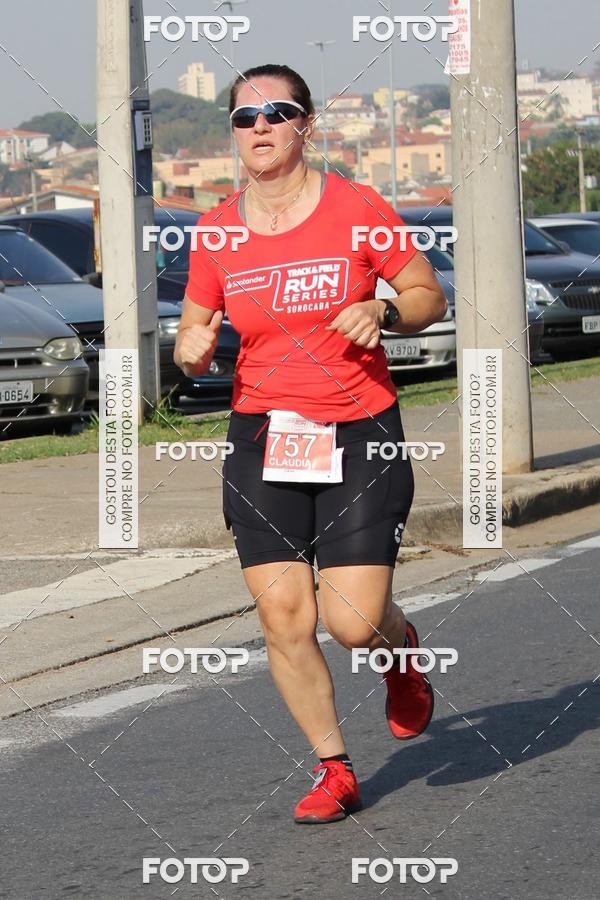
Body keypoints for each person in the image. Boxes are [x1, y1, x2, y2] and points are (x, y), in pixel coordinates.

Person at [174, 64, 447, 824]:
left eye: (277, 112)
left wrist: (386, 314)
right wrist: (190, 345)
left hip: (360, 430)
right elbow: (193, 329)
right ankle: (335, 769)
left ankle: (401, 652)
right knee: (284, 615)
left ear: (306, 125)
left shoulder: (357, 207)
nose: (259, 128)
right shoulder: (217, 229)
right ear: (233, 133)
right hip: (264, 433)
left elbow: (428, 293)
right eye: (244, 118)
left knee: (352, 622)